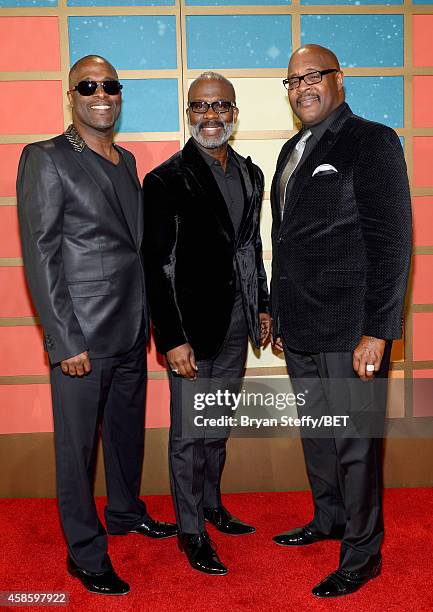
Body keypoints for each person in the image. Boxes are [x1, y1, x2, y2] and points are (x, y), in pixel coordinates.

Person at [17, 55, 177, 596]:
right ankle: (85, 552)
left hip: (132, 327)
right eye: (88, 86)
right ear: (72, 95)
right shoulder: (46, 158)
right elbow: (41, 254)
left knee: (127, 436)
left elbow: (130, 246)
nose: (101, 93)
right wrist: (64, 338)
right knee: (78, 448)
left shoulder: (126, 159)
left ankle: (127, 513)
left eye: (111, 85)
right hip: (82, 335)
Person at [270, 45, 412, 597]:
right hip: (300, 325)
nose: (302, 87)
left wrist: (378, 329)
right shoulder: (290, 150)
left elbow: (392, 241)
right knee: (319, 437)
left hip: (352, 329)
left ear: (338, 80)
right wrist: (279, 313)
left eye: (313, 76)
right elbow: (287, 243)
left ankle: (363, 552)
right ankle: (327, 519)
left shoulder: (372, 140)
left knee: (355, 443)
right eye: (292, 80)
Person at [143, 72, 271, 575]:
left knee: (216, 428)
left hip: (238, 324)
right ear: (189, 114)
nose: (210, 115)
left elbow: (250, 248)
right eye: (200, 106)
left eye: (220, 106)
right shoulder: (165, 179)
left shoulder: (250, 173)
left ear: (234, 114)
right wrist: (172, 338)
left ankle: (212, 504)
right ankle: (191, 531)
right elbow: (157, 265)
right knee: (189, 435)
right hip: (192, 334)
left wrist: (260, 305)